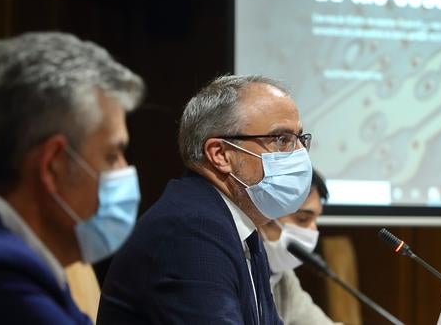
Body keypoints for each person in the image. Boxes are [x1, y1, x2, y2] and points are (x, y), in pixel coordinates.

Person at [98, 75, 313, 324]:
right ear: (220, 154)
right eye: (281, 140)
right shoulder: (190, 229)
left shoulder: (240, 228)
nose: (299, 153)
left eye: (300, 139)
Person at [0, 32, 145, 324]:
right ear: (53, 165)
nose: (124, 169)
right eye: (112, 154)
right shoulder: (0, 284)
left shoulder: (25, 263)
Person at [260, 170, 340, 325]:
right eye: (303, 218)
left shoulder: (283, 277)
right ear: (263, 214)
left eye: (316, 220)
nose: (313, 230)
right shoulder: (232, 267)